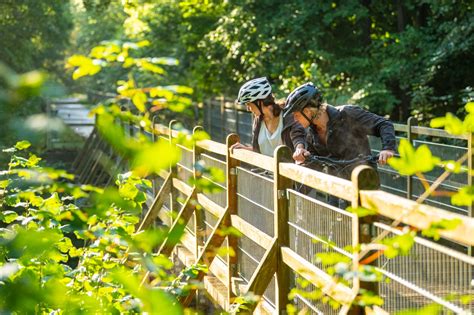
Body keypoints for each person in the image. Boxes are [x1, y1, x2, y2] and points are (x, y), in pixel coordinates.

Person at [283, 82, 396, 206]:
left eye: (297, 115)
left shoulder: (348, 114)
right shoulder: (311, 134)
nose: (295, 119)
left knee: (365, 223)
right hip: (336, 190)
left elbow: (383, 124)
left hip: (364, 184)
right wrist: (302, 163)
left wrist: (388, 148)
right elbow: (315, 166)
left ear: (308, 111)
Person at [230, 77, 307, 163]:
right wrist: (245, 148)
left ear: (260, 102)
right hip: (266, 173)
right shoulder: (258, 121)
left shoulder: (287, 116)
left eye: (249, 104)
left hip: (288, 173)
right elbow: (261, 151)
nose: (248, 109)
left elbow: (298, 136)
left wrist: (299, 148)